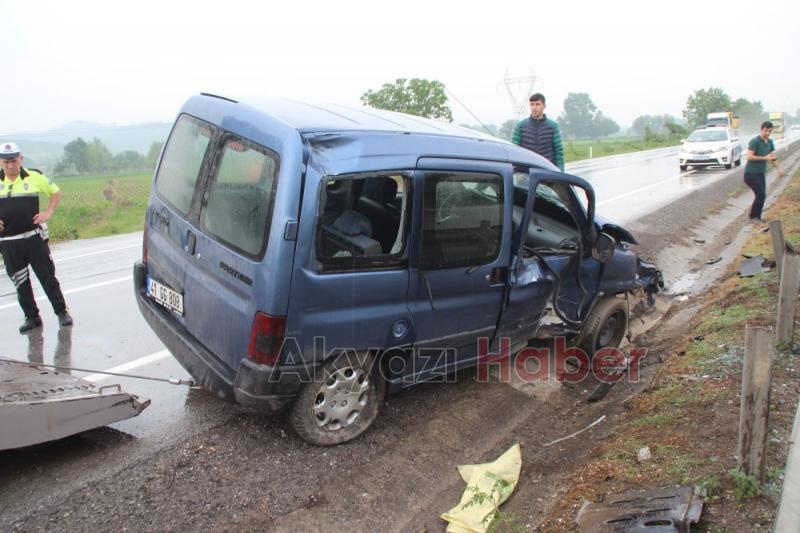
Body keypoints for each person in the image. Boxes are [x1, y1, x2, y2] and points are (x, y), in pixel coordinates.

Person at [0, 142, 73, 332]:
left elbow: (55, 193)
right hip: (9, 243)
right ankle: (32, 317)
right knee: (20, 282)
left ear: (20, 159)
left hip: (33, 238)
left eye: (13, 161)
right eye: (6, 162)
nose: (10, 165)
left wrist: (48, 211)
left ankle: (61, 312)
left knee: (47, 277)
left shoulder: (34, 177)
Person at [511, 93, 565, 171]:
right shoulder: (520, 126)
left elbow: (558, 152)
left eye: (537, 104)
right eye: (532, 104)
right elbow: (514, 151)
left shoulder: (553, 126)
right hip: (525, 172)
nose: (534, 108)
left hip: (547, 171)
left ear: (544, 106)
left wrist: (561, 172)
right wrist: (515, 171)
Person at [743, 121, 782, 223]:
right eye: (766, 131)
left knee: (762, 195)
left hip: (760, 173)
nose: (768, 133)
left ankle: (757, 217)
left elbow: (772, 157)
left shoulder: (769, 142)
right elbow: (749, 156)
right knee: (761, 195)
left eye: (770, 131)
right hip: (751, 173)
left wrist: (779, 168)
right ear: (761, 129)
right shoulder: (755, 141)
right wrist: (764, 158)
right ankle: (753, 217)